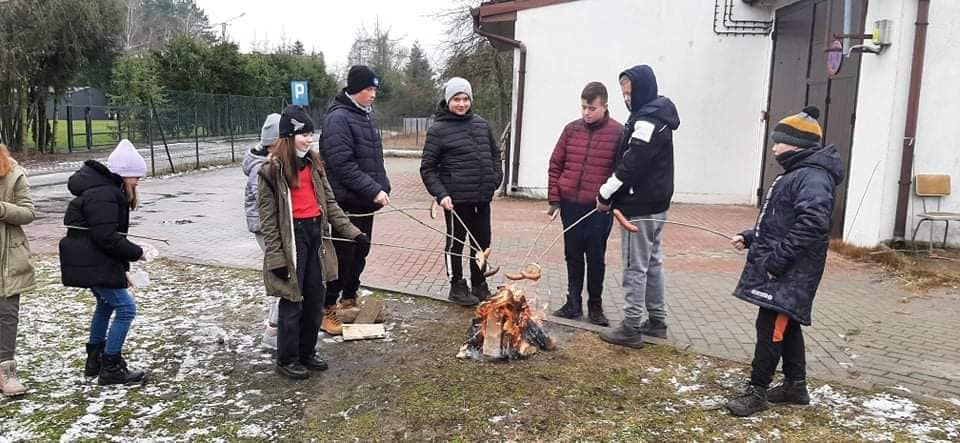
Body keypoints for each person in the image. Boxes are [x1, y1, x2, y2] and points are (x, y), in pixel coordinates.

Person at [725, 106, 844, 417]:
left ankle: (757, 390)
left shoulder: (813, 177)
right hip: (785, 270)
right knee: (786, 324)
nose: (774, 147)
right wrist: (751, 236)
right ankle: (796, 386)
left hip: (791, 272)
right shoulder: (797, 174)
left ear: (797, 145)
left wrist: (776, 260)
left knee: (771, 326)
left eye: (778, 141)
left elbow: (813, 224)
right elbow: (781, 222)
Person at [258, 105, 366, 380]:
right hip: (291, 239)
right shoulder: (271, 170)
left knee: (315, 297)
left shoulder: (314, 164)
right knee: (292, 301)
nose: (308, 139)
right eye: (302, 134)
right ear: (287, 136)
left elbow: (330, 203)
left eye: (310, 133)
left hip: (315, 235)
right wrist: (277, 258)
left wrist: (353, 233)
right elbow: (268, 221)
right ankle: (287, 358)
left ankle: (307, 351)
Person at [596, 65, 680, 348]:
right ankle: (657, 321)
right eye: (624, 93)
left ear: (644, 90)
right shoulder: (656, 115)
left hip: (640, 207)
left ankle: (631, 326)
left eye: (630, 93)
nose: (627, 98)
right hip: (655, 204)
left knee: (635, 266)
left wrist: (605, 193)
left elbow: (632, 163)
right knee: (652, 263)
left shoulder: (647, 122)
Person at [59, 139, 147, 385]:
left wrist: (123, 270)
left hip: (93, 260)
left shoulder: (105, 190)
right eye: (135, 176)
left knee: (106, 305)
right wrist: (137, 252)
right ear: (123, 174)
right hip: (93, 261)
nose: (138, 181)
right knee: (127, 309)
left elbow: (107, 237)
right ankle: (111, 366)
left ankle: (94, 360)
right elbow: (107, 238)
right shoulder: (105, 195)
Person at [321, 65, 391, 336]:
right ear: (354, 90)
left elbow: (374, 160)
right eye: (368, 89)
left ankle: (349, 298)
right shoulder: (339, 119)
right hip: (345, 203)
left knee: (360, 252)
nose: (373, 94)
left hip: (364, 202)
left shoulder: (364, 116)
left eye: (375, 89)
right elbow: (341, 163)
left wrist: (383, 185)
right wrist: (373, 188)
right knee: (341, 257)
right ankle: (327, 307)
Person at [420, 77, 503, 306]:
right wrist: (441, 194)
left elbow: (495, 155)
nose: (461, 104)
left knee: (482, 244)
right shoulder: (438, 130)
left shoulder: (481, 124)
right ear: (448, 101)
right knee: (456, 244)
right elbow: (427, 168)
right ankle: (457, 285)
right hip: (456, 201)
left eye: (465, 99)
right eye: (457, 99)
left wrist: (495, 179)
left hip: (482, 198)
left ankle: (479, 284)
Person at [547, 82, 623, 326]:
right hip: (570, 205)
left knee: (595, 256)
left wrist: (609, 200)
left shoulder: (618, 133)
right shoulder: (571, 130)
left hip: (598, 208)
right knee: (572, 254)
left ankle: (595, 306)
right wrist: (554, 199)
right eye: (583, 108)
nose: (586, 113)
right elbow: (556, 163)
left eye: (591, 108)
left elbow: (621, 172)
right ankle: (573, 303)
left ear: (604, 106)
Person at [0, 144, 36, 396]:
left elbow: (28, 212)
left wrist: (2, 209)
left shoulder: (13, 173)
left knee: (6, 314)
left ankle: (6, 372)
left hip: (8, 257)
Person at [243, 113, 281, 349]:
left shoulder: (271, 162)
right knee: (283, 275)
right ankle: (273, 332)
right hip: (268, 230)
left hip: (274, 229)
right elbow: (268, 206)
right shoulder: (261, 170)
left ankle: (277, 329)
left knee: (285, 275)